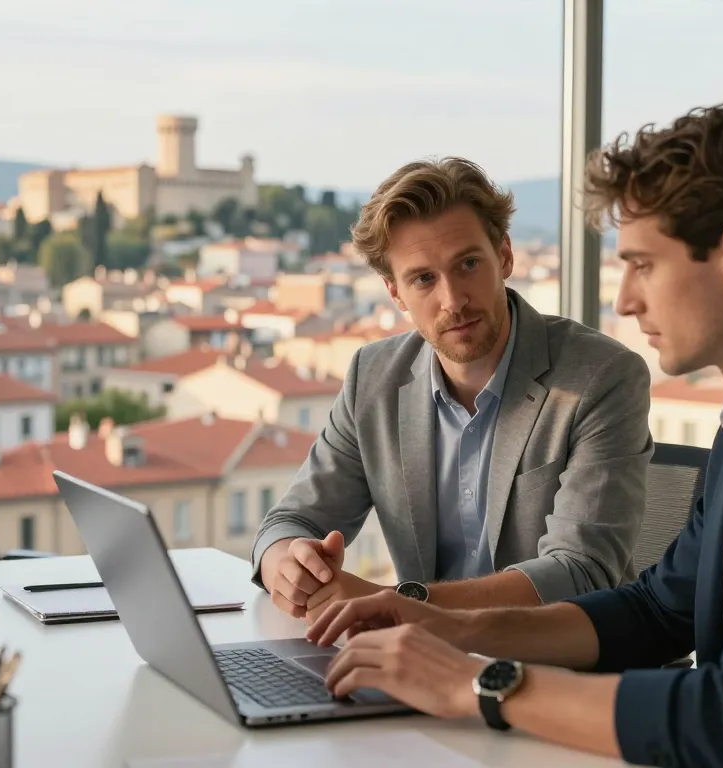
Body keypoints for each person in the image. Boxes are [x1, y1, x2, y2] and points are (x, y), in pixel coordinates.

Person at [305, 103, 723, 768]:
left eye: (642, 264)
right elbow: (655, 611)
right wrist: (446, 625)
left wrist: (475, 683)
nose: (625, 300)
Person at [251, 157, 653, 623]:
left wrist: (403, 607)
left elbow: (582, 571)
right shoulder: (373, 377)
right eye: (423, 279)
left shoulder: (601, 377)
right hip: (421, 663)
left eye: (467, 264)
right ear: (396, 293)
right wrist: (286, 562)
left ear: (503, 255)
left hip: (559, 668)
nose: (453, 300)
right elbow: (288, 522)